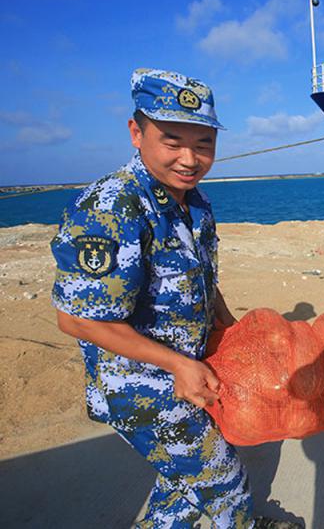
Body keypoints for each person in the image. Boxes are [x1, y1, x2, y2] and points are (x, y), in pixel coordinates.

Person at [50, 68, 301, 529]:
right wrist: (179, 365)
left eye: (203, 143)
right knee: (223, 479)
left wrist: (225, 325)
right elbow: (78, 320)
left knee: (183, 488)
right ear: (136, 132)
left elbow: (200, 273)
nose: (190, 158)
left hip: (187, 372)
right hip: (140, 387)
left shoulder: (194, 201)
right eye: (172, 141)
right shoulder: (110, 208)